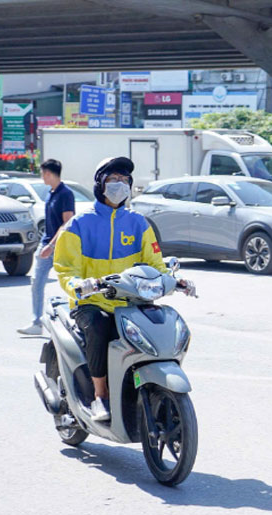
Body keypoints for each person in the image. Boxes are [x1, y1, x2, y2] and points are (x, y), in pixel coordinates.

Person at [53, 157, 195, 422]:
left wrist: (175, 279)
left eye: (124, 180)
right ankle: (100, 396)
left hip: (131, 301)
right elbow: (65, 268)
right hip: (92, 302)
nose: (119, 185)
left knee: (160, 326)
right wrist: (77, 285)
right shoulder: (78, 225)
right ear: (100, 184)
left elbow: (155, 263)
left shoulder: (139, 223)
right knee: (98, 326)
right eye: (113, 180)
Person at [17, 159, 75, 336]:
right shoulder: (51, 193)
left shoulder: (65, 194)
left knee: (70, 284)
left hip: (60, 247)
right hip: (46, 244)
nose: (42, 177)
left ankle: (74, 320)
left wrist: (51, 245)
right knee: (37, 282)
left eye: (43, 173)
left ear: (49, 173)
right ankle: (36, 322)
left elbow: (67, 223)